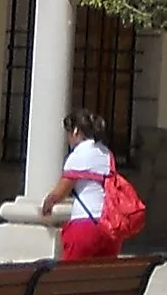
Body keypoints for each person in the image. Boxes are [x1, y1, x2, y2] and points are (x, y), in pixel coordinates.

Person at [40, 107, 117, 262]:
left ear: (75, 131)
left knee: (69, 278)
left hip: (84, 226)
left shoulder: (79, 155)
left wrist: (47, 204)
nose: (68, 139)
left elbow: (60, 193)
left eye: (68, 133)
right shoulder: (107, 153)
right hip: (109, 227)